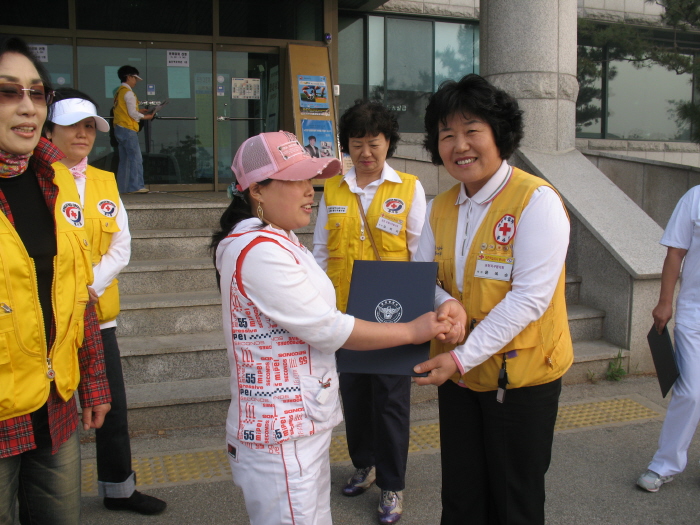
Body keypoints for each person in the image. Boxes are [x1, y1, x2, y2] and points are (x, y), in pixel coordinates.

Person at [211, 130, 451, 525]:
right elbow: (327, 328)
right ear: (257, 190)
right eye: (296, 180)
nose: (310, 191)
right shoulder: (259, 251)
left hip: (298, 425)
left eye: (311, 179)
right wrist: (412, 331)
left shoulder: (279, 238)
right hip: (279, 435)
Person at [412, 74, 574, 525]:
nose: (459, 145)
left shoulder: (535, 201)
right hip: (460, 381)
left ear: (498, 134)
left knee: (513, 502)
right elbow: (422, 278)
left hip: (521, 381)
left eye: (471, 131)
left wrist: (461, 358)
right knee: (461, 498)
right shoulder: (439, 205)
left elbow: (528, 300)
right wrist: (448, 302)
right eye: (447, 135)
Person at [0, 36, 111, 524]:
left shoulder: (57, 178)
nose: (27, 107)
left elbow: (76, 292)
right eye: (8, 92)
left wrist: (95, 382)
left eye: (36, 93)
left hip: (56, 406)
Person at [44, 87, 167, 515]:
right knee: (51, 413)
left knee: (110, 405)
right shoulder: (36, 179)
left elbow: (121, 246)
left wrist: (87, 285)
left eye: (89, 127)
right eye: (72, 125)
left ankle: (119, 489)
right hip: (52, 319)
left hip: (98, 316)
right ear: (50, 129)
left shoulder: (104, 181)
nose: (82, 134)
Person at [312, 99, 426, 524]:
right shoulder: (335, 188)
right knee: (355, 397)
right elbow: (321, 251)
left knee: (391, 403)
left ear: (389, 143)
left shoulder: (409, 188)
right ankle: (365, 463)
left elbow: (420, 255)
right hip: (345, 317)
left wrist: (419, 320)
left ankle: (392, 485)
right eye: (357, 143)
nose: (365, 152)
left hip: (394, 317)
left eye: (373, 143)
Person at [636, 185, 700, 492]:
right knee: (690, 393)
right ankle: (664, 464)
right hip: (694, 313)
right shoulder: (695, 198)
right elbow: (675, 252)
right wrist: (665, 301)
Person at [113, 65, 152, 194]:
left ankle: (123, 188)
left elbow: (125, 110)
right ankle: (136, 186)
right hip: (128, 128)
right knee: (135, 158)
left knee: (125, 160)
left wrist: (138, 111)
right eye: (135, 78)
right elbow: (132, 114)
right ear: (129, 77)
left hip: (119, 127)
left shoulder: (119, 92)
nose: (136, 82)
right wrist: (145, 116)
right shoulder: (129, 93)